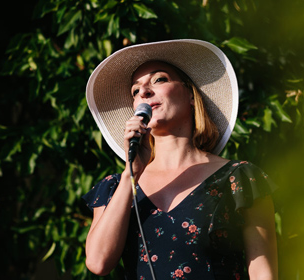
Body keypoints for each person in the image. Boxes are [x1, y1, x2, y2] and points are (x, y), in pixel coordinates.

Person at [83, 40, 278, 279]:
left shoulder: (239, 179)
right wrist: (130, 174)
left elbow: (263, 273)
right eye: (135, 91)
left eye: (159, 79)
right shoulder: (114, 188)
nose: (144, 91)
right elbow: (97, 262)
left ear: (191, 95)